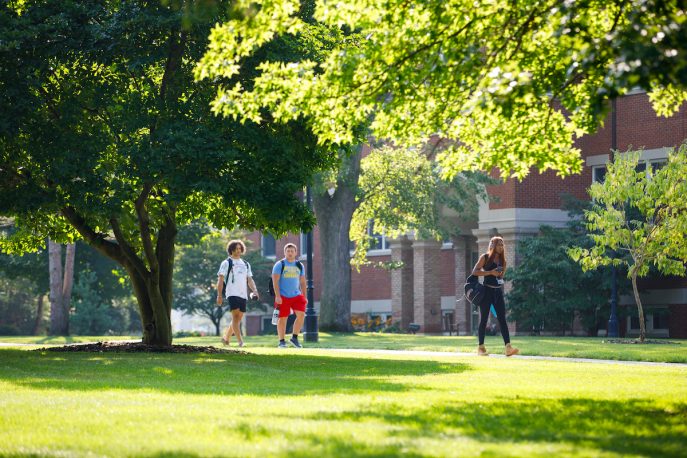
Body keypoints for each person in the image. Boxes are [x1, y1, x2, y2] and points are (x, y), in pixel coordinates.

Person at [471, 236, 519, 357]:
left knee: (502, 319)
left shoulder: (503, 261)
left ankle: (508, 347)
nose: (501, 247)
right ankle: (481, 348)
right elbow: (475, 272)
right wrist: (490, 272)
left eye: (502, 245)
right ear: (492, 245)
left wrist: (499, 274)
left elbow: (500, 277)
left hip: (497, 292)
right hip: (486, 292)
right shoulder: (485, 257)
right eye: (499, 244)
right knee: (484, 319)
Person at [216, 240, 259, 347]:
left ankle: (226, 338)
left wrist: (255, 290)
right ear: (231, 250)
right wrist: (219, 295)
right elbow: (220, 280)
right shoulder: (226, 263)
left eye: (240, 248)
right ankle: (240, 341)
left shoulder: (245, 264)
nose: (238, 251)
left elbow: (250, 279)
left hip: (243, 294)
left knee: (238, 318)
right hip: (232, 293)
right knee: (235, 317)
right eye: (236, 249)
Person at [272, 243, 307, 348]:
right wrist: (277, 296)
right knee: (283, 318)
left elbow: (302, 282)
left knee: (301, 315)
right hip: (282, 295)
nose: (290, 253)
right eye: (288, 251)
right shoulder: (280, 264)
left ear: (296, 252)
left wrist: (304, 296)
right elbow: (275, 281)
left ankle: (294, 338)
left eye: (292, 251)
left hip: (296, 295)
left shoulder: (299, 265)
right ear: (285, 252)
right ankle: (281, 341)